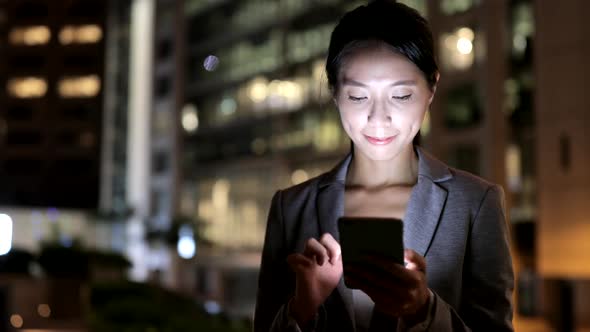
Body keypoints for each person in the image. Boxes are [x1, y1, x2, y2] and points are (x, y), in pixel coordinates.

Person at [253, 1, 514, 331]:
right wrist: (301, 309)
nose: (379, 119)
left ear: (432, 88)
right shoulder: (290, 208)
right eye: (359, 97)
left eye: (401, 96)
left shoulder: (476, 203)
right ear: (334, 92)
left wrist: (425, 311)